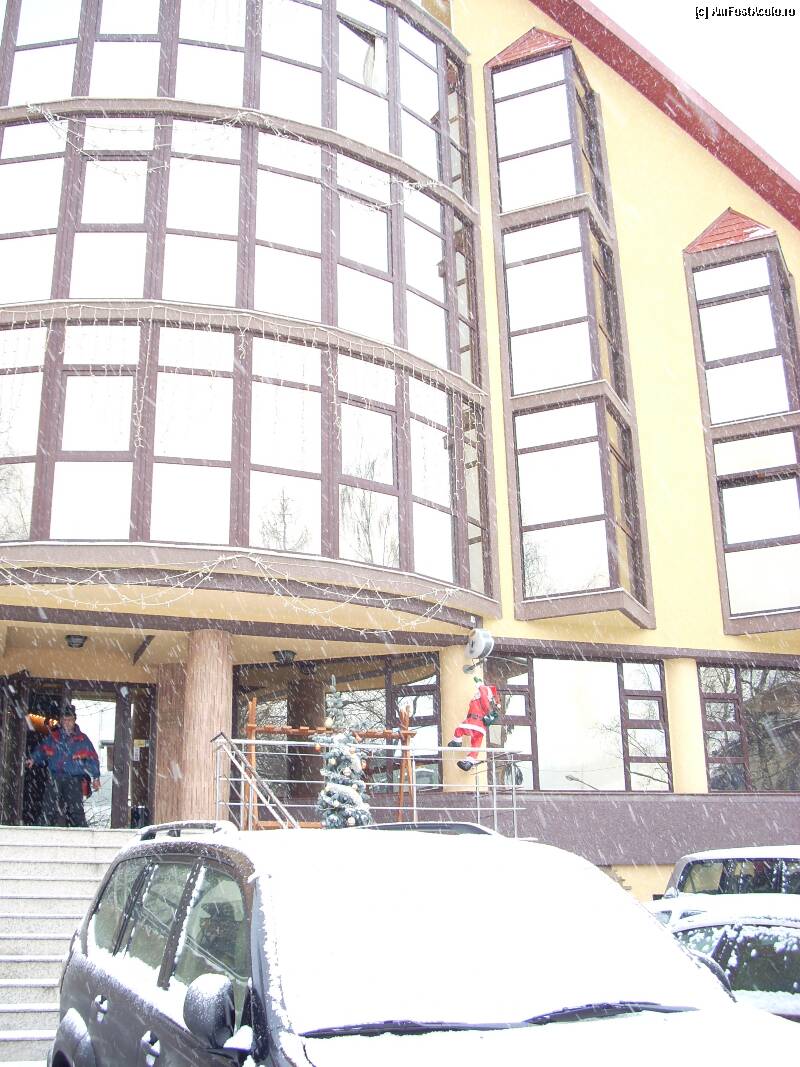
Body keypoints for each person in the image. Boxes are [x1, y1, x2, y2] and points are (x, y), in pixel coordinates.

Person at [26, 705, 101, 827]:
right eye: (65, 720)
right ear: (61, 721)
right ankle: (40, 832)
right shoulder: (53, 737)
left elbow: (92, 758)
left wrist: (96, 777)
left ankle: (84, 835)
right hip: (55, 777)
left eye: (70, 720)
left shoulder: (83, 739)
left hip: (74, 779)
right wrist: (33, 759)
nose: (67, 723)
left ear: (74, 720)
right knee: (48, 809)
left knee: (77, 811)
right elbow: (42, 749)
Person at [447, 681, 500, 771]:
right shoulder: (485, 703)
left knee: (459, 730)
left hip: (473, 722)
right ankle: (469, 762)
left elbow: (484, 695)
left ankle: (457, 742)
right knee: (476, 745)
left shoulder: (481, 700)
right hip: (481, 727)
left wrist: (481, 686)